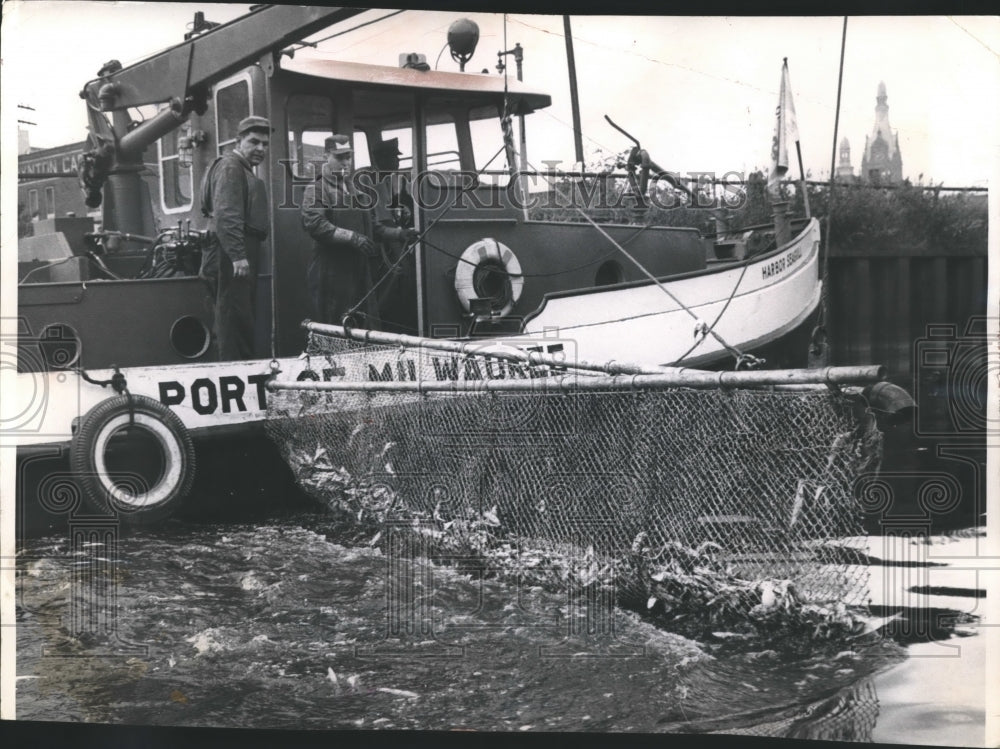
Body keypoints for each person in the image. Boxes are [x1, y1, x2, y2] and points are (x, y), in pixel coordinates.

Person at [301, 134, 415, 328]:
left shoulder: (356, 191)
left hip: (358, 271)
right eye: (339, 157)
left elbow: (374, 228)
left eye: (348, 157)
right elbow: (315, 223)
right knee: (336, 327)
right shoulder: (317, 189)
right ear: (326, 156)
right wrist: (352, 237)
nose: (345, 162)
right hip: (331, 273)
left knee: (363, 326)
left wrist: (401, 234)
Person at [199, 115, 270, 360]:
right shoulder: (231, 167)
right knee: (233, 321)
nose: (261, 148)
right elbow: (227, 214)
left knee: (237, 319)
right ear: (239, 141)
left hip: (232, 250)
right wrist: (238, 256)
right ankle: (237, 378)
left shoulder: (237, 167)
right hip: (230, 254)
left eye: (265, 143)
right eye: (254, 142)